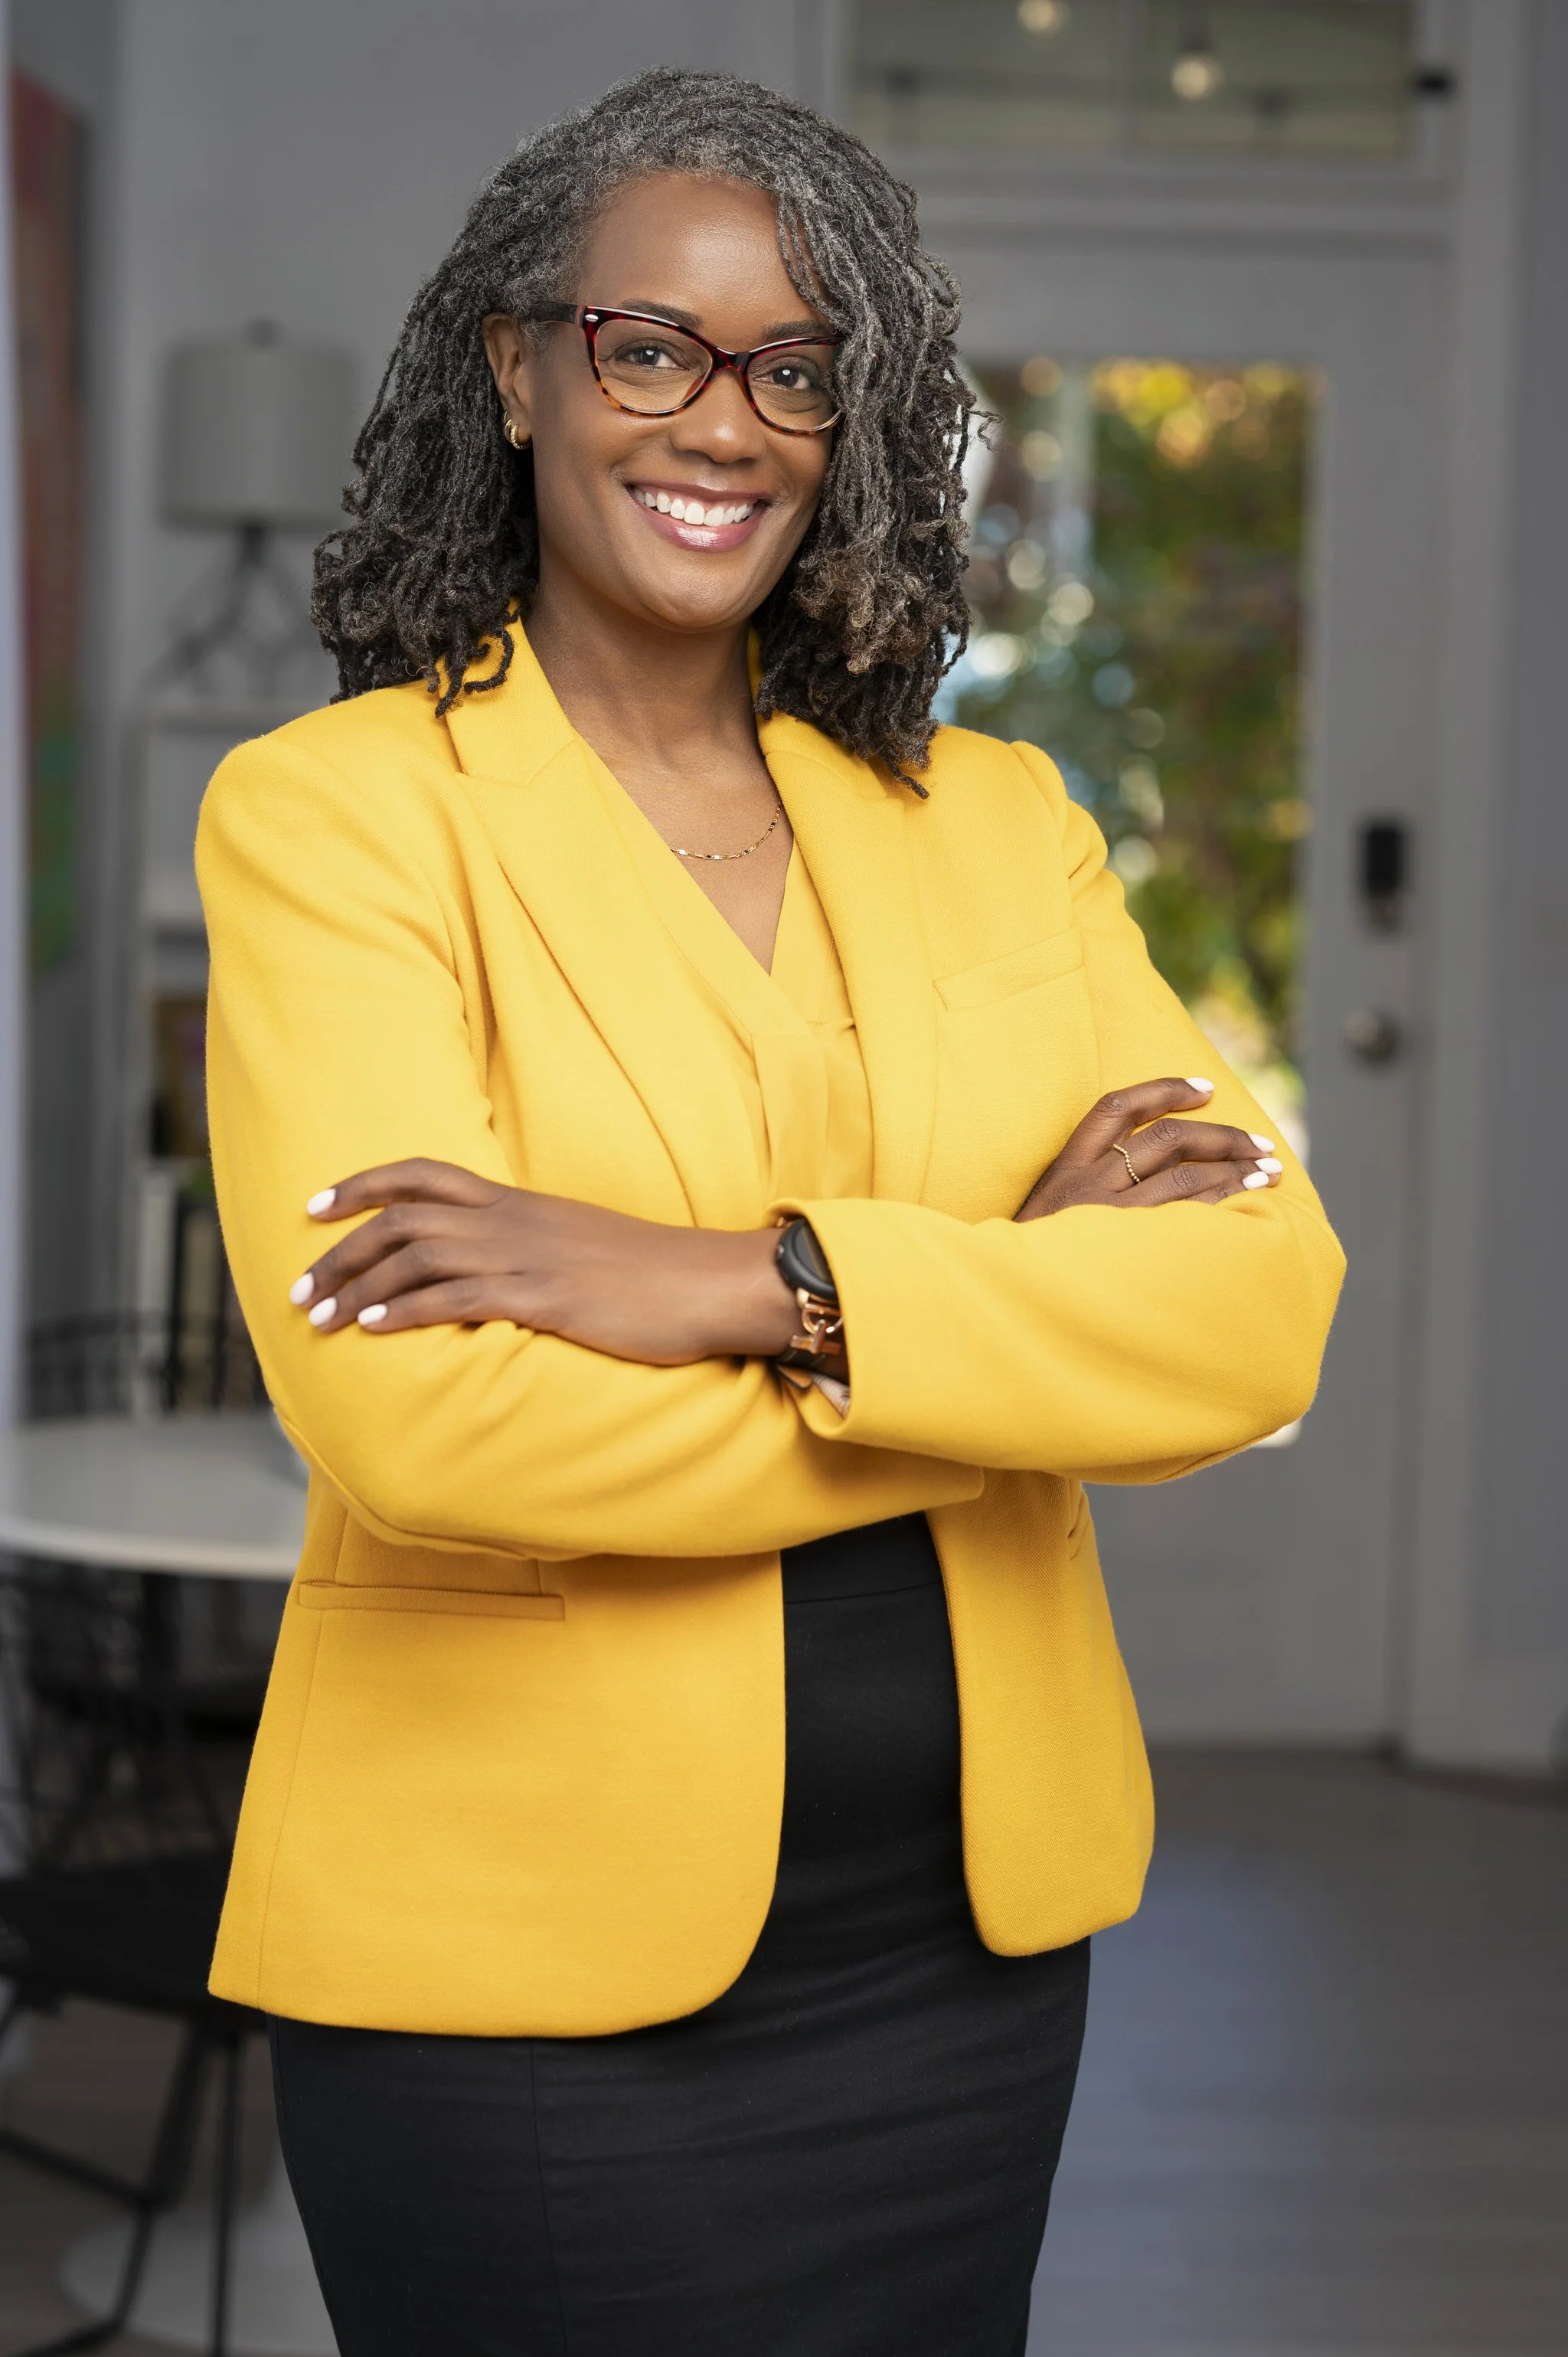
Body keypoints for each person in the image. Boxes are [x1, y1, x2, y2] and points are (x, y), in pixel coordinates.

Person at [198, 67, 1344, 2357]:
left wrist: (747, 1284)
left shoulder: (994, 822)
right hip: (512, 1988)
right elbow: (432, 1429)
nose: (722, 420)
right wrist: (1000, 1333)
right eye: (652, 347)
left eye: (794, 367)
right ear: (520, 368)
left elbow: (1259, 1309)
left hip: (959, 1977)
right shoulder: (341, 820)